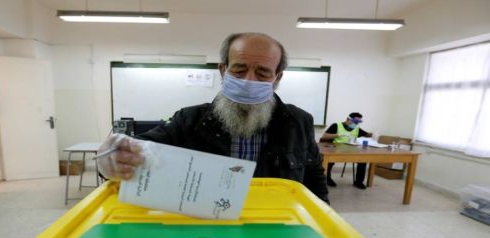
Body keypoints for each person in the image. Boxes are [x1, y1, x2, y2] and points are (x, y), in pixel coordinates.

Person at [98, 32, 329, 203]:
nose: (249, 80)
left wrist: (323, 220)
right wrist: (112, 156)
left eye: (263, 72)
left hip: (276, 221)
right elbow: (140, 149)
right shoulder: (189, 120)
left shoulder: (298, 122)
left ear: (277, 78)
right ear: (222, 70)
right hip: (207, 228)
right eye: (239, 69)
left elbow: (313, 175)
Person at [320, 112, 372, 189]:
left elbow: (367, 134)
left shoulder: (356, 128)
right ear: (348, 119)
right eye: (355, 122)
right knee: (329, 160)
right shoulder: (336, 125)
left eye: (358, 122)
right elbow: (324, 137)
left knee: (363, 160)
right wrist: (338, 134)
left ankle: (358, 182)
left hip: (351, 151)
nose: (356, 124)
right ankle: (327, 178)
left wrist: (372, 134)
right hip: (336, 150)